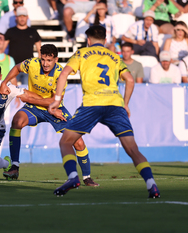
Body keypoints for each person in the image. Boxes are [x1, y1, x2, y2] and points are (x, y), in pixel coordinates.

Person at [48, 25, 160, 198]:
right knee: (132, 149)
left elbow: (63, 75)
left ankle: (72, 177)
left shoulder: (81, 53)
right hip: (115, 104)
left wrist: (56, 100)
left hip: (92, 104)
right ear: (105, 40)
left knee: (65, 142)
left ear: (88, 40)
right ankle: (151, 185)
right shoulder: (115, 57)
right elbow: (130, 80)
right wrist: (126, 104)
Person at [0, 44, 99, 186]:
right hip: (34, 108)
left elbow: (54, 101)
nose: (45, 64)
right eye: (43, 60)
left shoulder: (60, 74)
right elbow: (16, 68)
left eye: (49, 60)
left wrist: (29, 99)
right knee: (17, 121)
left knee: (78, 141)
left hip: (54, 108)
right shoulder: (32, 63)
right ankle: (14, 166)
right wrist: (4, 82)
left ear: (56, 59)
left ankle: (87, 177)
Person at [4, 6, 41, 85]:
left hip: (28, 67)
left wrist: (39, 66)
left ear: (27, 17)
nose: (22, 18)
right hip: (12, 67)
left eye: (24, 16)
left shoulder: (33, 31)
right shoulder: (10, 31)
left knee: (27, 91)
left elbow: (40, 50)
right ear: (16, 17)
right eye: (20, 16)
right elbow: (2, 49)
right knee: (11, 91)